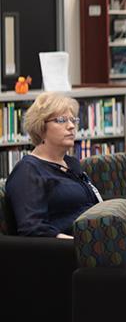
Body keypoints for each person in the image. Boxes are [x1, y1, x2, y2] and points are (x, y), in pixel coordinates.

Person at [6, 92, 102, 237]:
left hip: (96, 237)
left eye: (73, 120)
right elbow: (33, 229)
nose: (71, 126)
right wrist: (79, 245)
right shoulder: (28, 171)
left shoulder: (71, 163)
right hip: (65, 250)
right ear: (41, 127)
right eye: (61, 120)